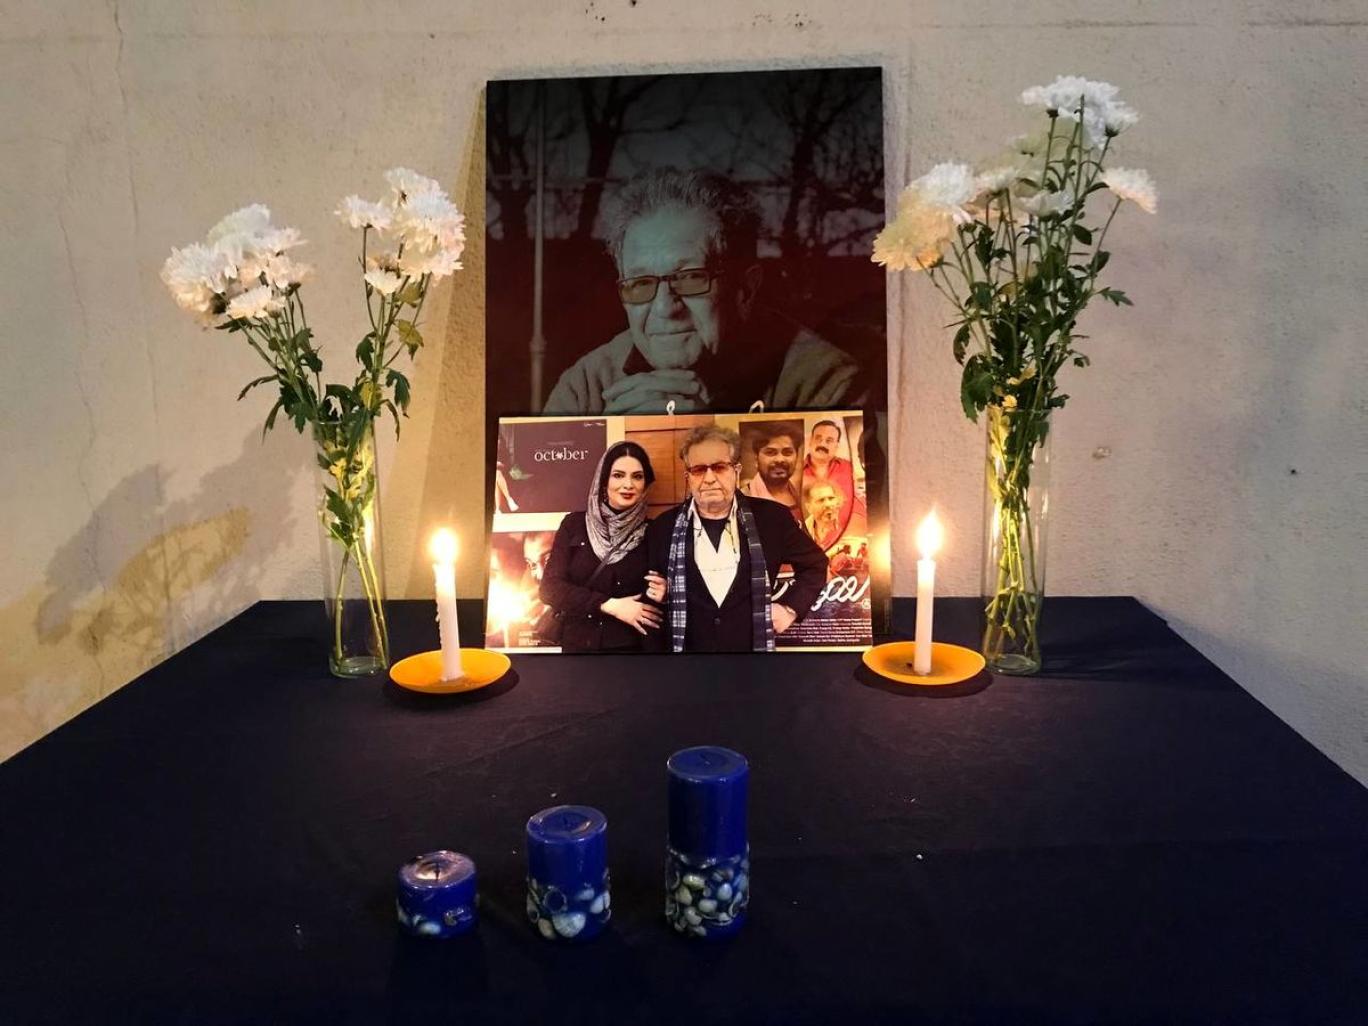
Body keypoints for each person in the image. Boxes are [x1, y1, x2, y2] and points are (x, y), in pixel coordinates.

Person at [543, 168, 866, 415]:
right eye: (641, 283)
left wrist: (708, 432)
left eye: (690, 278)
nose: (665, 308)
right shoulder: (586, 385)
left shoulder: (824, 381)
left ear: (746, 289)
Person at [644, 425, 827, 653]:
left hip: (751, 658)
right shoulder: (663, 528)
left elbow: (815, 564)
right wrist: (664, 596)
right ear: (688, 477)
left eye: (719, 467)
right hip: (688, 660)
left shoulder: (772, 519)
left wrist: (790, 608)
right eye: (699, 470)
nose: (709, 479)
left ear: (736, 470)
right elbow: (651, 593)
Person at [539, 441, 668, 653]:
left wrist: (665, 594)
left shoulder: (654, 532)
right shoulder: (574, 525)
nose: (628, 484)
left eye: (637, 477)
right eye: (618, 475)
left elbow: (658, 604)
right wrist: (610, 605)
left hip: (631, 653)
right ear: (603, 480)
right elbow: (550, 589)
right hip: (579, 651)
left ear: (645, 484)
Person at [802, 419, 855, 537]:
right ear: (810, 441)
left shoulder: (849, 469)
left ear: (837, 445)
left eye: (829, 441)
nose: (822, 444)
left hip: (848, 537)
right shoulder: (795, 472)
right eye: (818, 438)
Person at [742, 424, 803, 524]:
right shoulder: (742, 501)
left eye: (787, 452)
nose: (780, 459)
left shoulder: (804, 496)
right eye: (770, 452)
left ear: (797, 457)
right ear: (756, 459)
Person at [803, 480, 846, 551]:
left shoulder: (849, 525)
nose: (827, 504)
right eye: (821, 500)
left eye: (831, 498)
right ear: (809, 508)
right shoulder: (802, 533)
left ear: (837, 501)